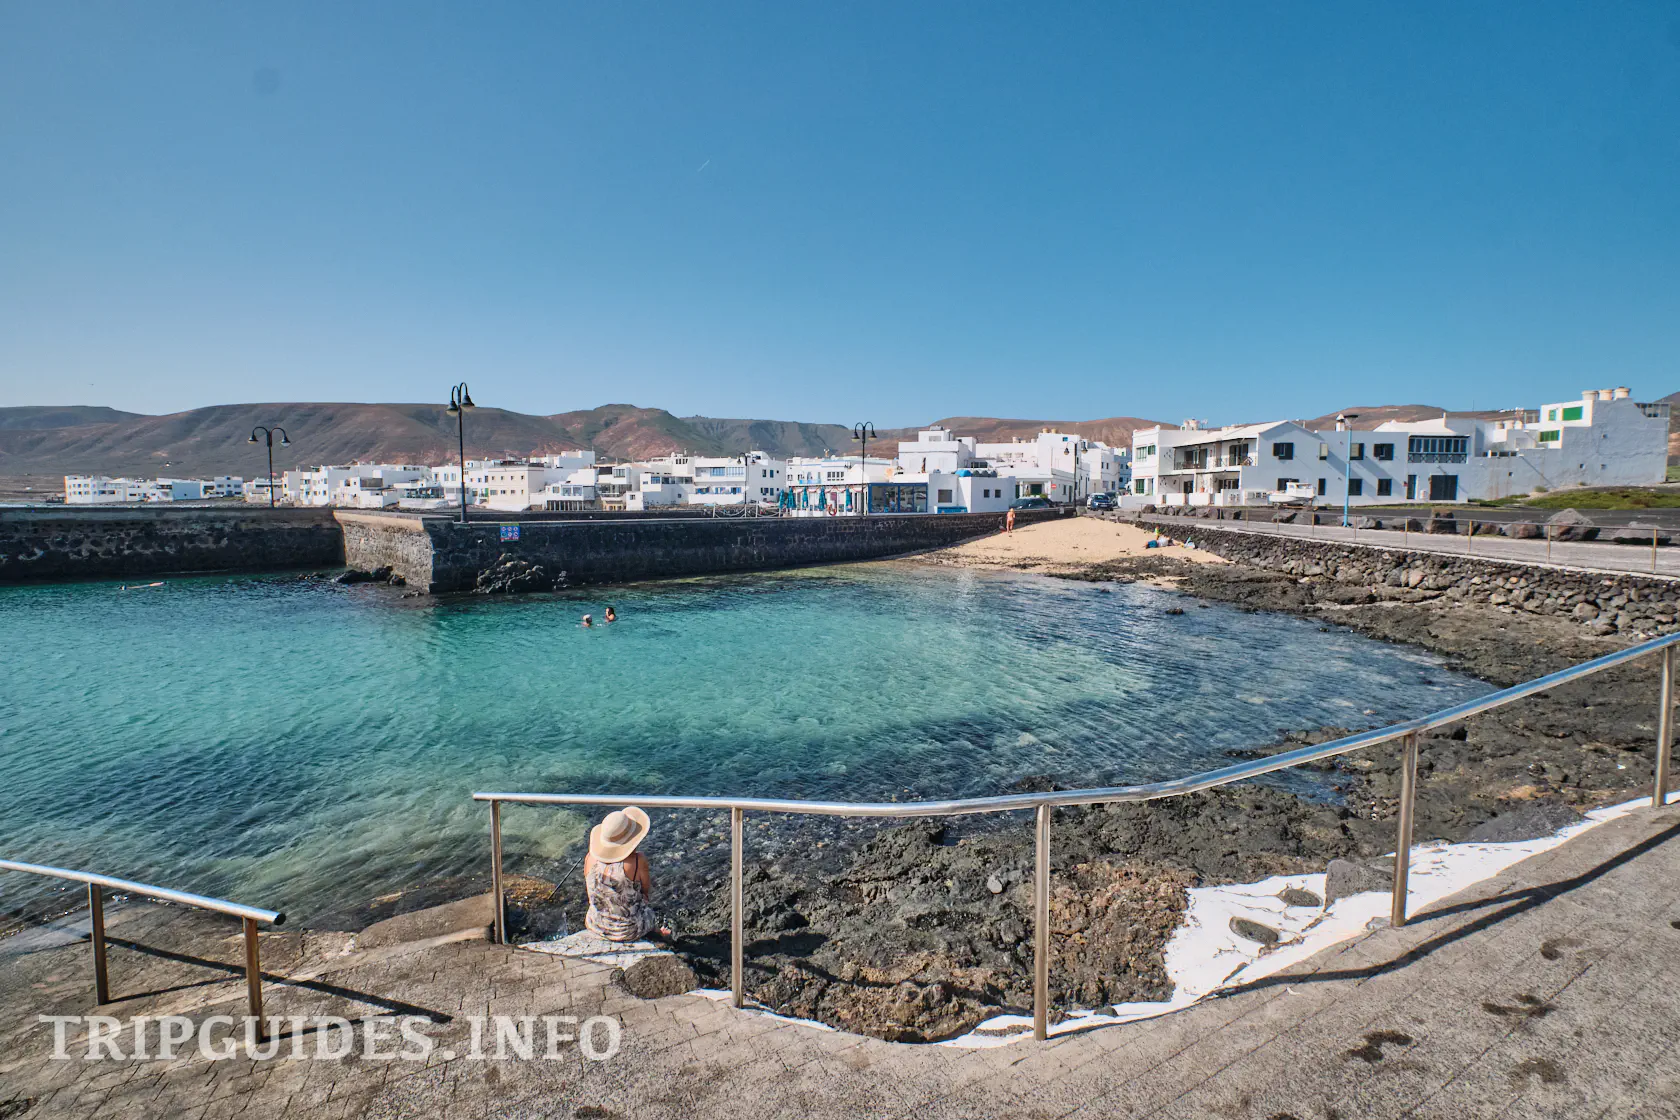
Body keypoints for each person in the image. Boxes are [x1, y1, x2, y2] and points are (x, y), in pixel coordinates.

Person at [583, 807, 668, 942]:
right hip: (627, 931)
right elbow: (646, 891)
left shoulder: (589, 858)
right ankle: (660, 933)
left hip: (595, 923)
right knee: (646, 909)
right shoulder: (637, 860)